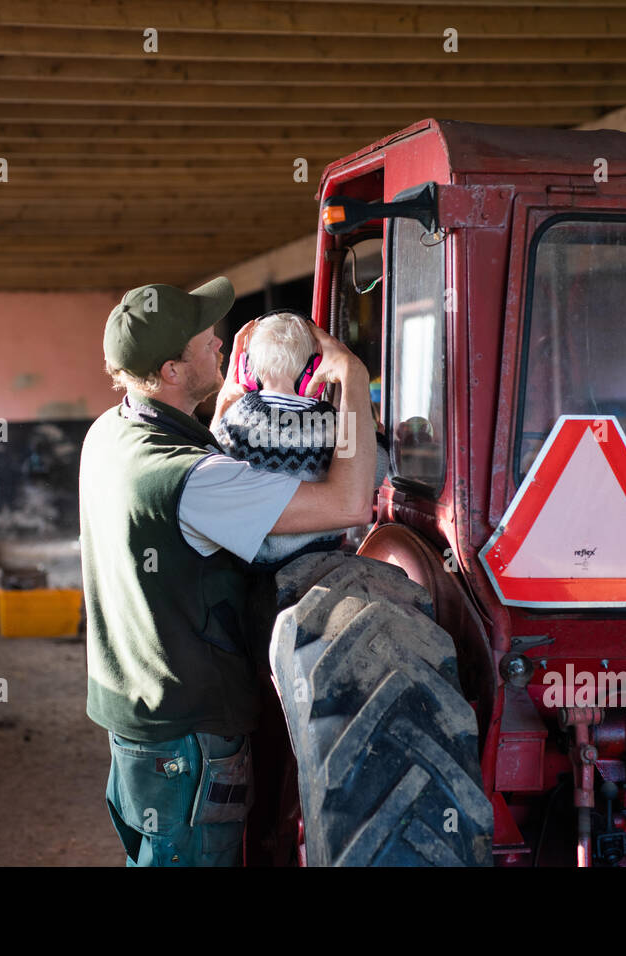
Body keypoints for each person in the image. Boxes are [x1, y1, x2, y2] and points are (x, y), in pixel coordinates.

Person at [79, 277, 376, 866]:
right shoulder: (193, 480)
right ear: (169, 370)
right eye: (203, 339)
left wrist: (238, 392)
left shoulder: (111, 433)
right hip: (189, 739)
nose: (219, 341)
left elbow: (207, 460)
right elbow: (348, 505)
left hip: (138, 716)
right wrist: (354, 383)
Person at [213, 310, 388, 565]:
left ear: (249, 370)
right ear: (314, 369)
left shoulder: (236, 417)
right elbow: (369, 475)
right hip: (320, 560)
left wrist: (223, 406)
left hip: (250, 560)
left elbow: (212, 461)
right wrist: (377, 443)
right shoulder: (332, 423)